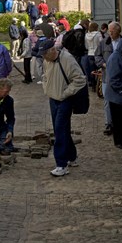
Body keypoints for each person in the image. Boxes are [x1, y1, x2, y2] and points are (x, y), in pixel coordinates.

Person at [40, 39, 87, 176]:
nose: (43, 57)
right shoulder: (46, 60)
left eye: (44, 54)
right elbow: (45, 76)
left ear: (52, 51)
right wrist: (46, 87)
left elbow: (80, 79)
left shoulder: (67, 59)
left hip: (65, 100)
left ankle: (61, 164)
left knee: (60, 129)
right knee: (62, 128)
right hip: (53, 99)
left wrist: (65, 94)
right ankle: (72, 157)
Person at [95, 21, 122, 135]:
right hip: (107, 76)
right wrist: (103, 64)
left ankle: (119, 124)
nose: (110, 33)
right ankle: (109, 123)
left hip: (121, 76)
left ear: (118, 31)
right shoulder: (104, 43)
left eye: (112, 31)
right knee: (107, 101)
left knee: (120, 101)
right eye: (109, 31)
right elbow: (97, 56)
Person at [84, 22, 101, 90]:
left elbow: (86, 46)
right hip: (97, 53)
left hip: (90, 53)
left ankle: (93, 85)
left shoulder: (86, 35)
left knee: (92, 70)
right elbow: (101, 43)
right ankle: (98, 84)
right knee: (99, 70)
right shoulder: (98, 34)